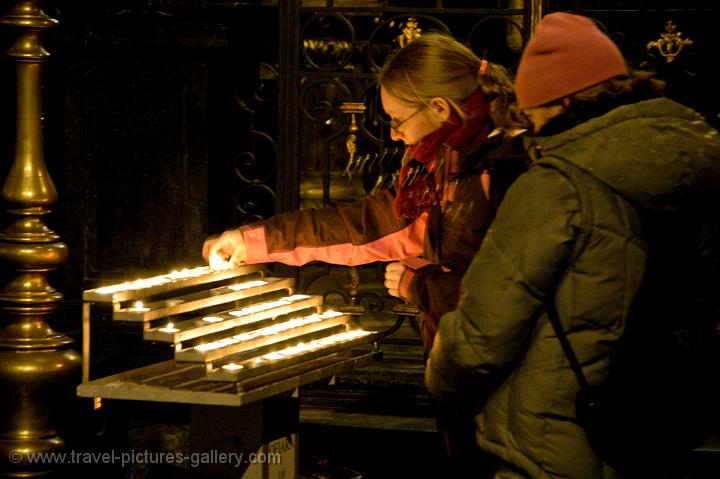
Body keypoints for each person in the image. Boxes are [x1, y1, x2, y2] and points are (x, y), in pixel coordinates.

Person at [203, 32, 529, 473]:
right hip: (462, 365)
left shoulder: (503, 168)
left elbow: (512, 300)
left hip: (510, 382)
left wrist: (420, 285)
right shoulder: (445, 162)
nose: (395, 136)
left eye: (397, 119)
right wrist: (253, 241)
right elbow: (365, 226)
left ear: (438, 108)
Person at [425, 12, 720, 479]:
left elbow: (480, 339)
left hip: (557, 437)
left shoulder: (558, 185)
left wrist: (440, 371)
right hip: (659, 424)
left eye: (534, 113)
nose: (532, 130)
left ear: (558, 102)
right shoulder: (697, 160)